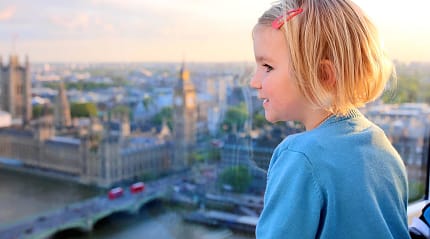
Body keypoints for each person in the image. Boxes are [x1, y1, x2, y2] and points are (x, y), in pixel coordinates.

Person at [249, 0, 410, 238]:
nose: (254, 81)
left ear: (323, 75)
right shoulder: (382, 147)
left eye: (267, 67)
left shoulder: (300, 156)